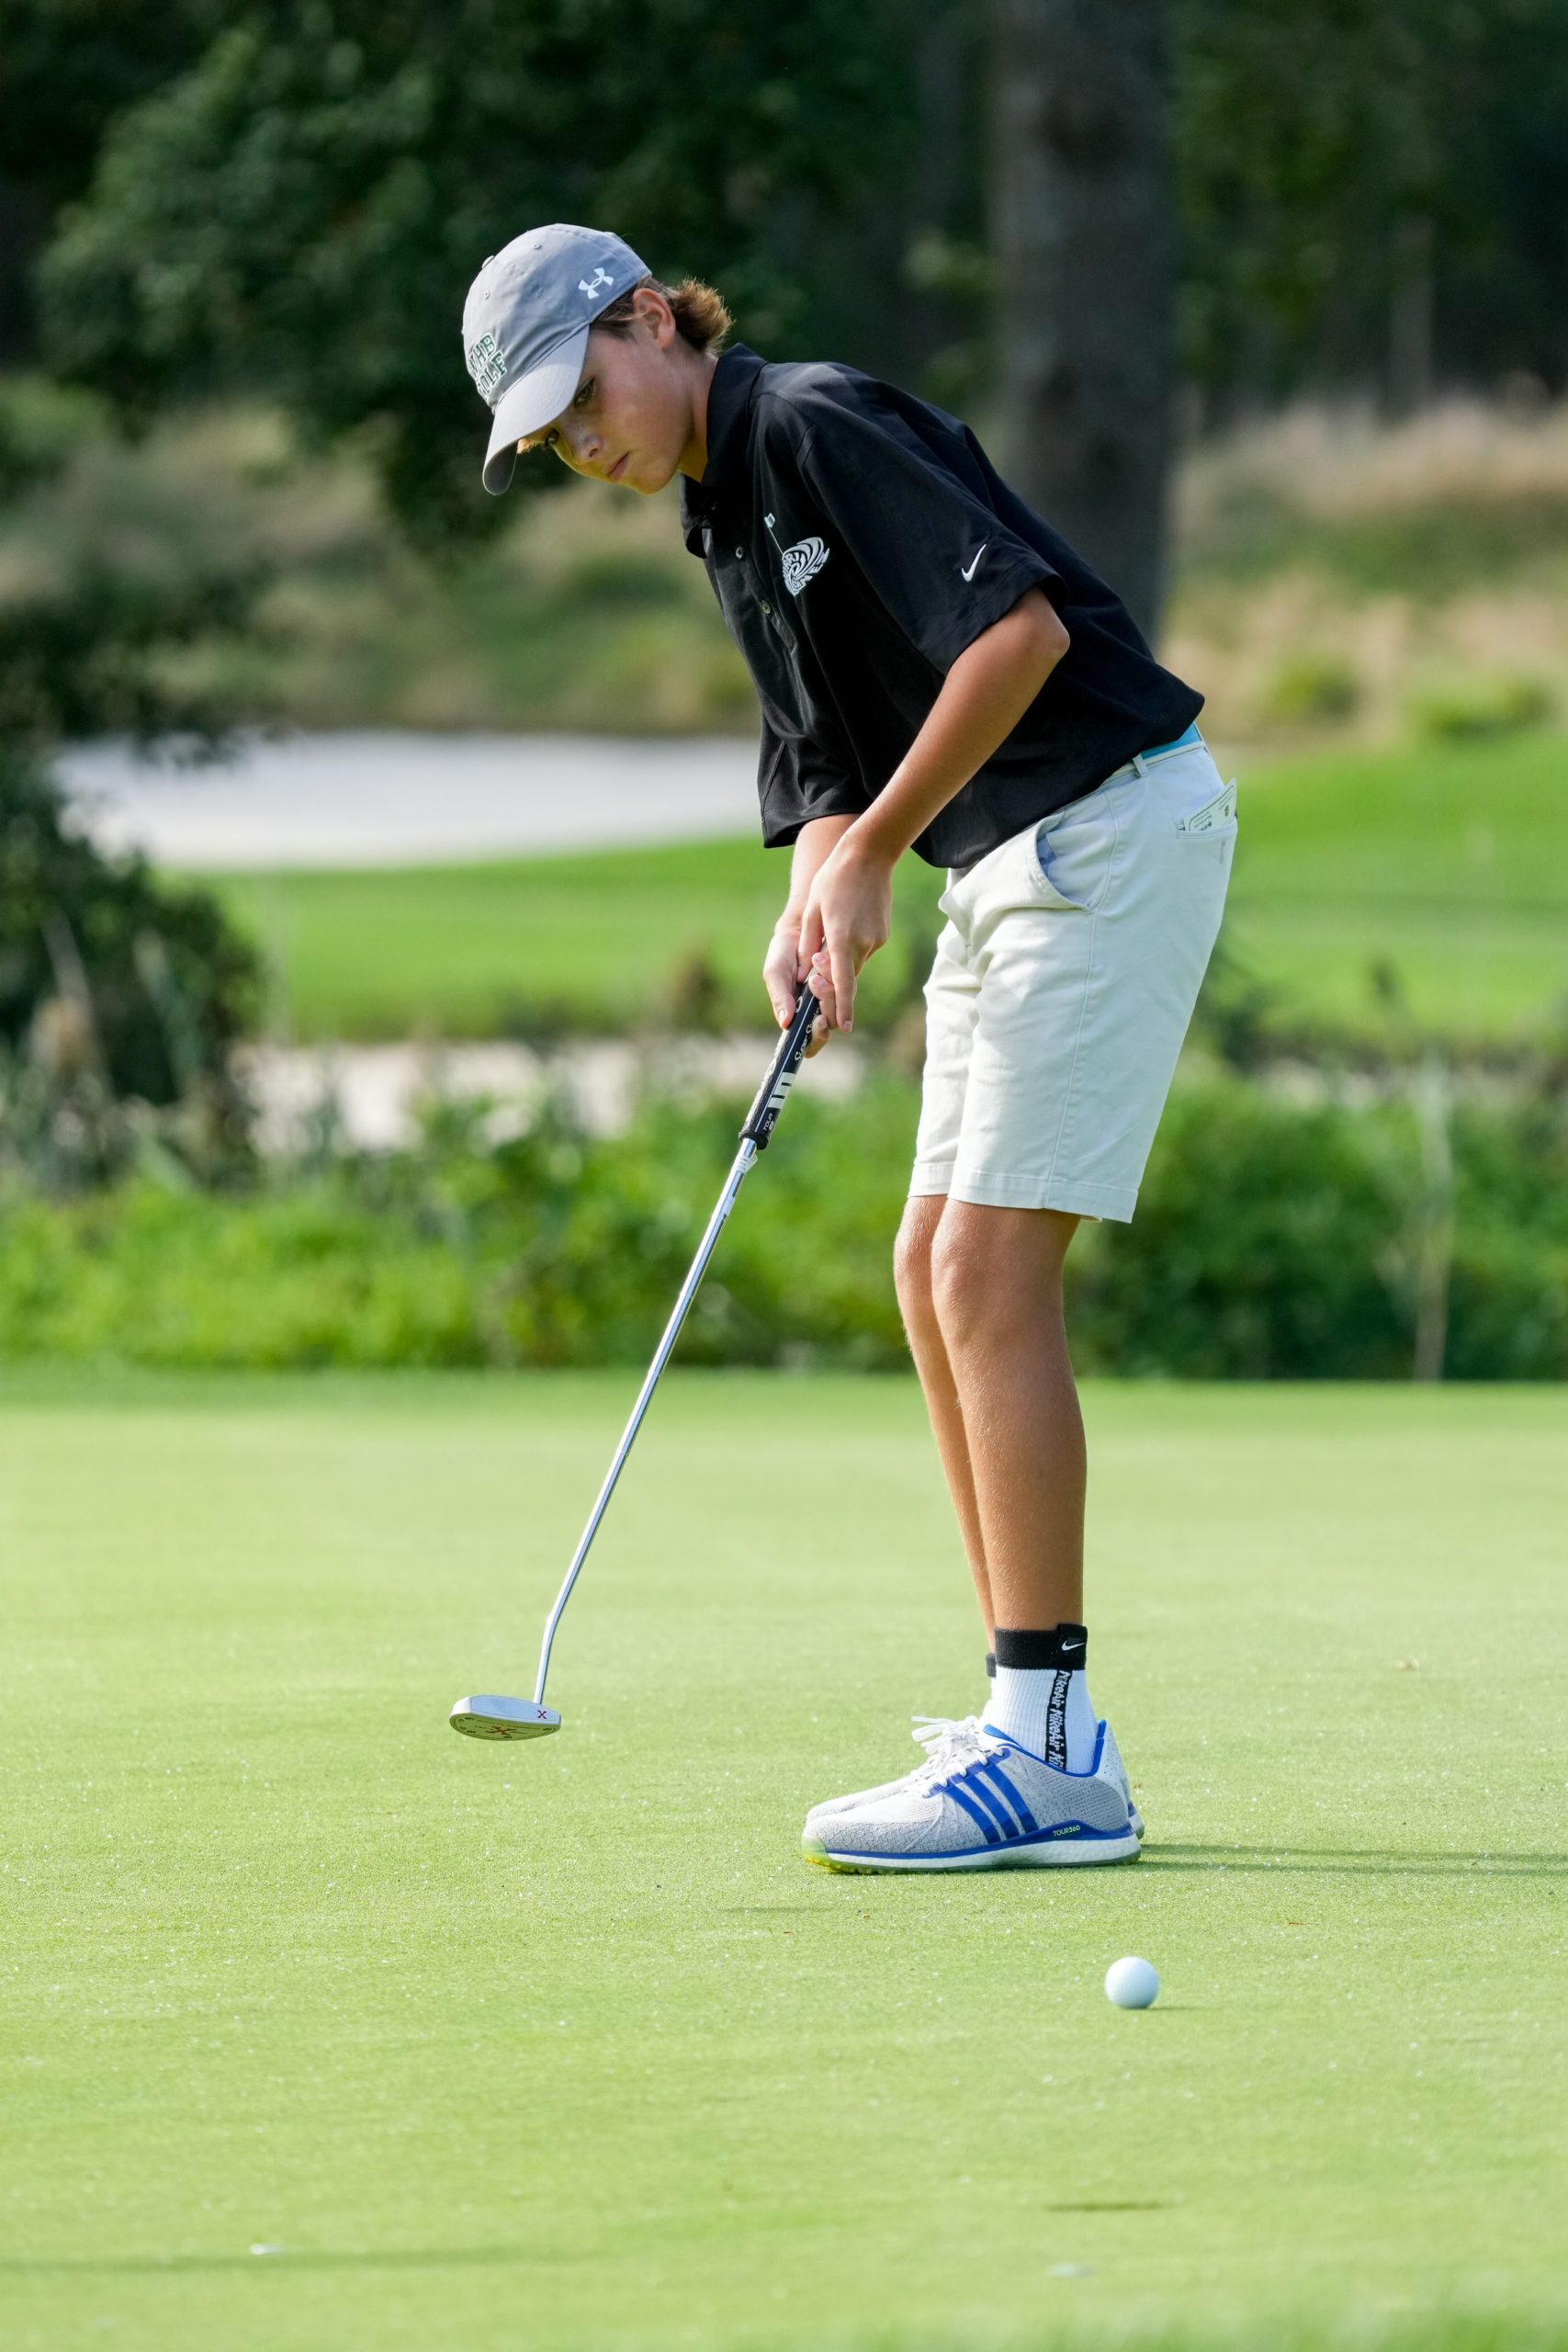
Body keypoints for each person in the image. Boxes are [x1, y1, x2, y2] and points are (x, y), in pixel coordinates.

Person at [461, 224, 1235, 1873]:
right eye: (550, 439)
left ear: (655, 320)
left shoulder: (808, 421)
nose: (582, 445)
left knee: (984, 1275)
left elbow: (1015, 637)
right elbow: (822, 769)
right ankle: (1036, 1722)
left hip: (1105, 828)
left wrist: (879, 849)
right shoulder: (723, 516)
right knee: (924, 1267)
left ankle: (1046, 1744)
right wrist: (822, 893)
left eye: (582, 394)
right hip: (1005, 859)